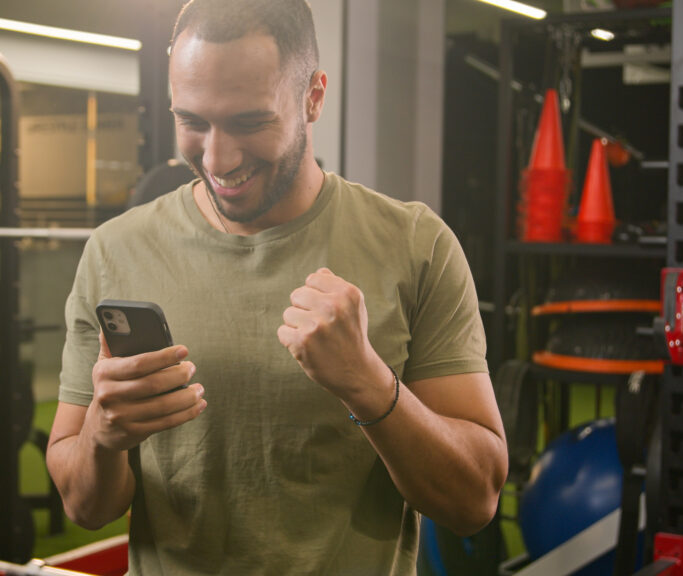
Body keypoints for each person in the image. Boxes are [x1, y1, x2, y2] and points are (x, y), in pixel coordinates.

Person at [46, 0, 508, 573]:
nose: (217, 157)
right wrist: (101, 436)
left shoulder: (415, 245)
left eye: (248, 122)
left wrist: (366, 382)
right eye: (192, 121)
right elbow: (84, 506)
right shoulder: (115, 250)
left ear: (313, 96)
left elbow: (474, 501)